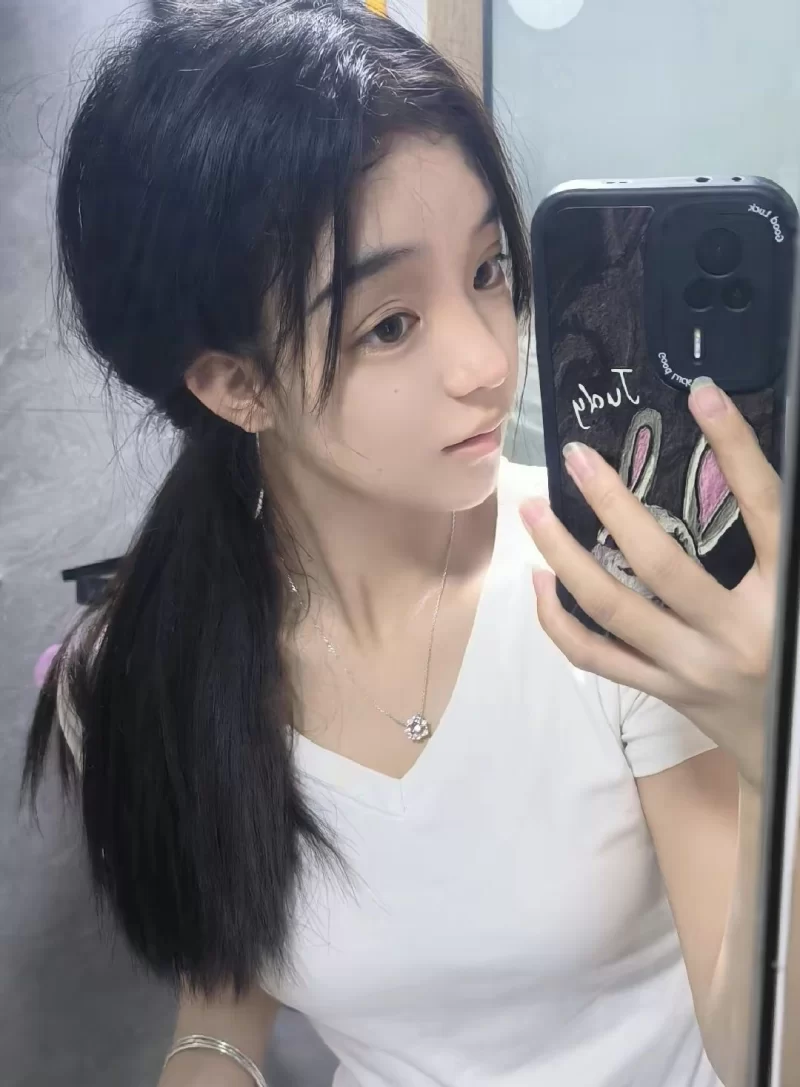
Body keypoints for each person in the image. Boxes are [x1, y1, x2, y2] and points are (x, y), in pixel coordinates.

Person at [22, 2, 794, 1085]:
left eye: (488, 269)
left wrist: (768, 748)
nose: (488, 360)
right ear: (236, 385)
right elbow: (221, 995)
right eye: (389, 324)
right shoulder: (142, 666)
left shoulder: (604, 593)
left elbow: (756, 1051)